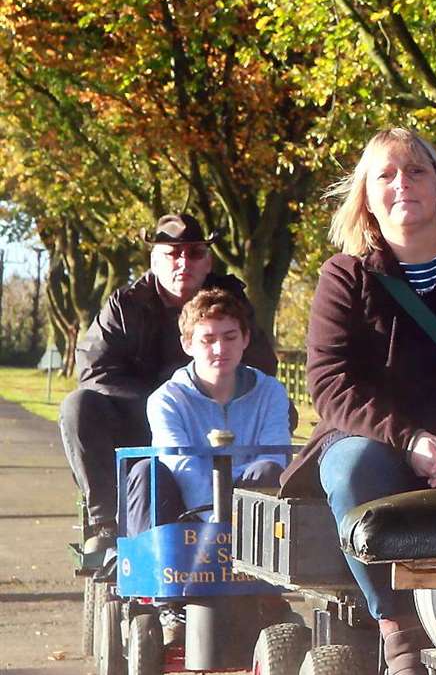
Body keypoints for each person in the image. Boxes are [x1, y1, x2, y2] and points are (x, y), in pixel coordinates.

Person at [279, 128, 436, 675]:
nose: (402, 184)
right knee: (353, 469)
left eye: (416, 172)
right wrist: (409, 441)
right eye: (385, 176)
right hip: (378, 438)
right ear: (367, 197)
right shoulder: (346, 275)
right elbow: (330, 383)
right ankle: (399, 637)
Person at [61, 214, 279, 549]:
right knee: (78, 406)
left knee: (282, 413)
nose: (183, 263)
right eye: (172, 253)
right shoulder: (124, 305)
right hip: (138, 421)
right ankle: (105, 524)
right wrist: (166, 400)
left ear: (208, 261)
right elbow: (94, 371)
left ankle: (260, 535)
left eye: (194, 253)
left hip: (215, 422)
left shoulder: (231, 301)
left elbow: (263, 363)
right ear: (154, 260)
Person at [122, 288, 292, 538]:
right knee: (147, 471)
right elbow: (180, 463)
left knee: (268, 468)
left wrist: (231, 515)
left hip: (246, 511)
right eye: (208, 339)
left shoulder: (271, 392)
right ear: (187, 344)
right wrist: (216, 520)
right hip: (185, 503)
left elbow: (275, 456)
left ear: (245, 339)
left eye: (230, 337)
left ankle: (257, 565)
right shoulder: (166, 399)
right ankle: (154, 566)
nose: (220, 348)